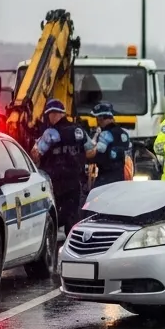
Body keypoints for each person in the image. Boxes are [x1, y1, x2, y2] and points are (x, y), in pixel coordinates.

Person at [29, 98, 93, 238]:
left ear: (52, 114)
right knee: (73, 214)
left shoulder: (50, 133)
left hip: (56, 181)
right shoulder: (78, 130)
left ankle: (50, 243)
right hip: (75, 179)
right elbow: (90, 151)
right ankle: (72, 243)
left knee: (53, 213)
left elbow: (35, 155)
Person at [90, 102, 132, 188]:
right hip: (121, 176)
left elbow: (97, 152)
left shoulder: (105, 134)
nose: (98, 122)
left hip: (106, 177)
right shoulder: (123, 133)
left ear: (101, 118)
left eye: (98, 119)